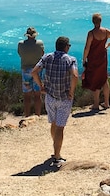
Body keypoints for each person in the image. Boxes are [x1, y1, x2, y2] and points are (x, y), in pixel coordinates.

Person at [31, 36, 78, 167]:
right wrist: (72, 91)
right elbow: (75, 75)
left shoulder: (47, 57)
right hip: (64, 98)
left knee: (53, 123)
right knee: (60, 127)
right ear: (66, 46)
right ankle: (57, 156)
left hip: (50, 96)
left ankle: (55, 147)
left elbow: (34, 72)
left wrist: (41, 86)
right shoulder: (70, 60)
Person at [81, 12, 110, 111]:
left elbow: (87, 48)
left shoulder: (91, 33)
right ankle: (107, 103)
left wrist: (84, 59)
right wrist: (108, 45)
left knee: (95, 79)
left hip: (93, 58)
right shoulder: (106, 31)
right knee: (104, 78)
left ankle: (96, 104)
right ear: (100, 21)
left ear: (92, 22)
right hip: (103, 58)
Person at [17, 26, 45, 116]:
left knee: (27, 95)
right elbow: (42, 53)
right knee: (37, 94)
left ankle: (27, 115)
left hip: (26, 70)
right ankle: (38, 115)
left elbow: (20, 54)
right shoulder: (40, 43)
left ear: (27, 35)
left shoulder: (21, 44)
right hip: (37, 70)